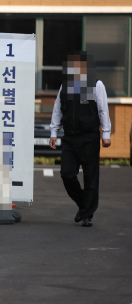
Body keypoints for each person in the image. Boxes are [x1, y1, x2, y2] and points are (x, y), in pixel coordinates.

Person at [49, 51, 111, 227]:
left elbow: (103, 110)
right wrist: (53, 132)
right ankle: (85, 205)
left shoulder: (96, 85)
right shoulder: (65, 86)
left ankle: (87, 215)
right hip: (69, 138)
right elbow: (58, 110)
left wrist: (106, 133)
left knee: (91, 177)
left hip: (89, 137)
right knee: (66, 174)